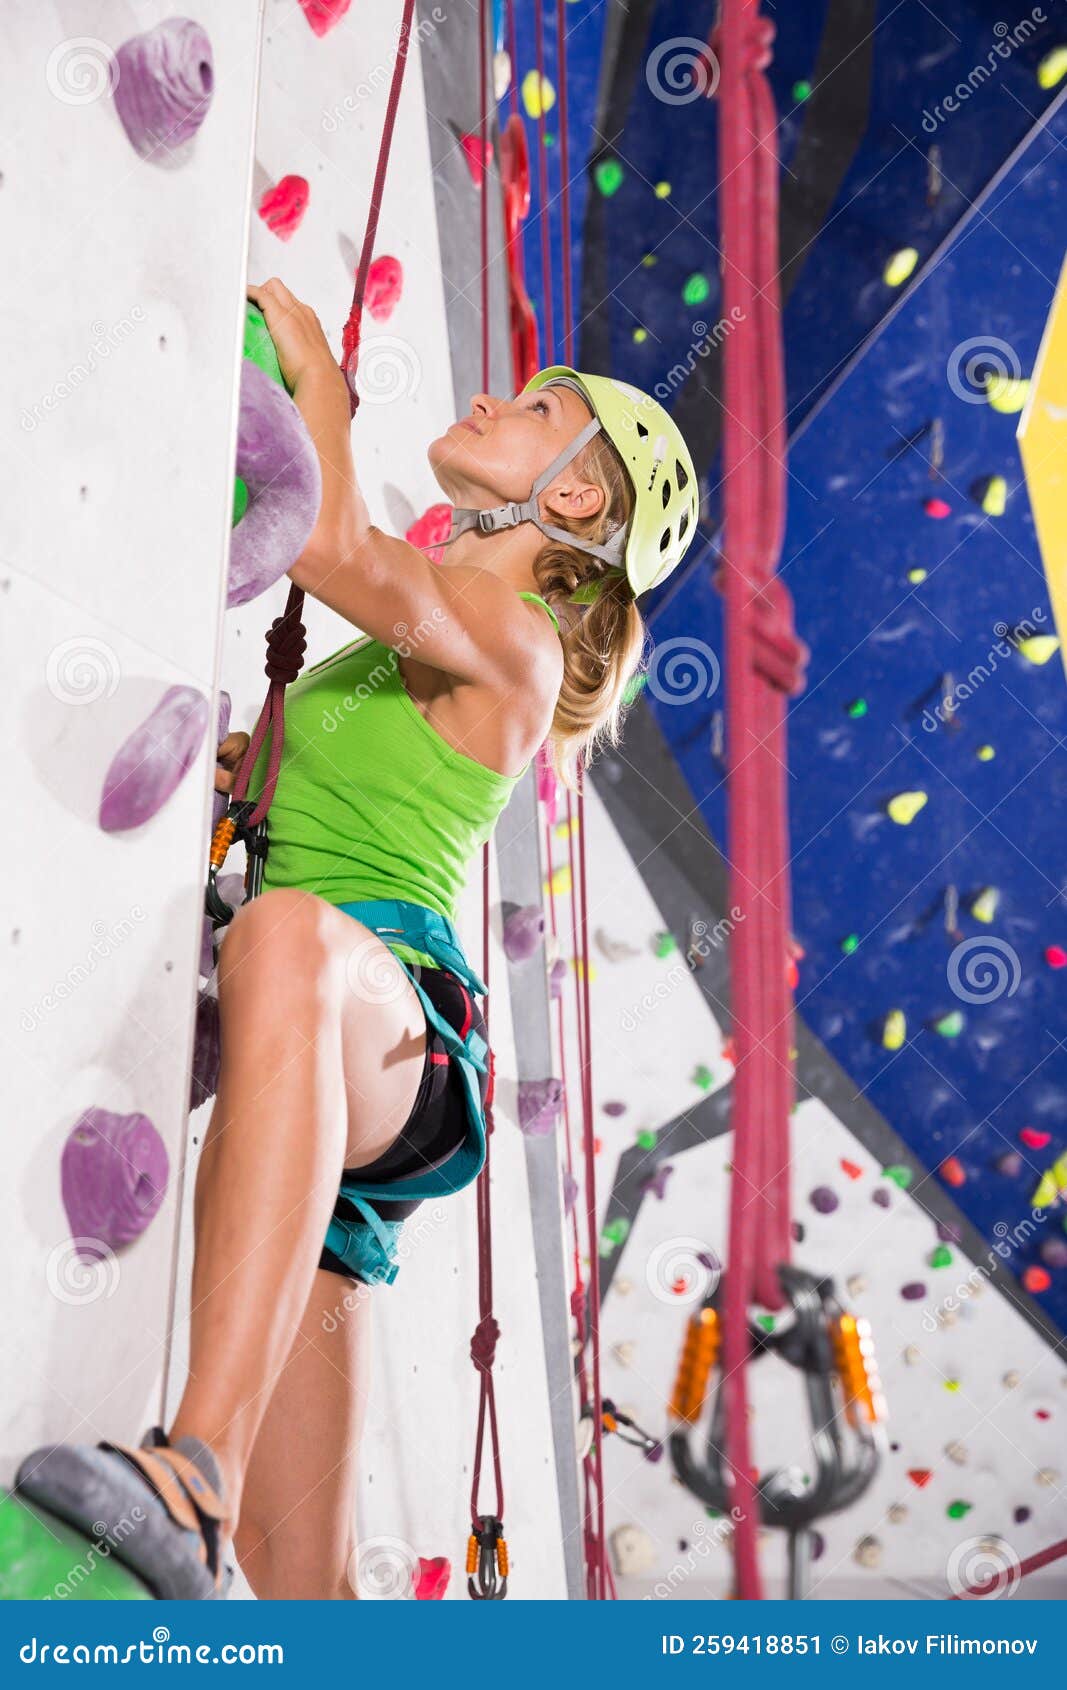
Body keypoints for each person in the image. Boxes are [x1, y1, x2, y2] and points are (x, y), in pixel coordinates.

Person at [16, 278, 699, 1599]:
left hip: (400, 1025)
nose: (499, 399)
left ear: (569, 500)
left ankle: (193, 1468)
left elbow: (324, 542)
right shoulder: (384, 666)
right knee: (306, 1589)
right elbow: (277, 769)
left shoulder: (517, 639)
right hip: (322, 1070)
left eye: (542, 409)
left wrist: (319, 394)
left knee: (285, 939)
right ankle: (246, 1548)